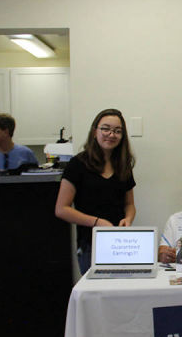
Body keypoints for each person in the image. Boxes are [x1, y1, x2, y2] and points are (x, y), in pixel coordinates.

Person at [55, 108, 136, 275]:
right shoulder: (77, 164)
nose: (111, 135)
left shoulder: (123, 165)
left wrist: (128, 219)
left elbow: (129, 204)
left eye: (117, 131)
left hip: (118, 243)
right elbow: (62, 209)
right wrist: (98, 222)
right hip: (90, 245)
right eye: (105, 129)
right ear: (94, 132)